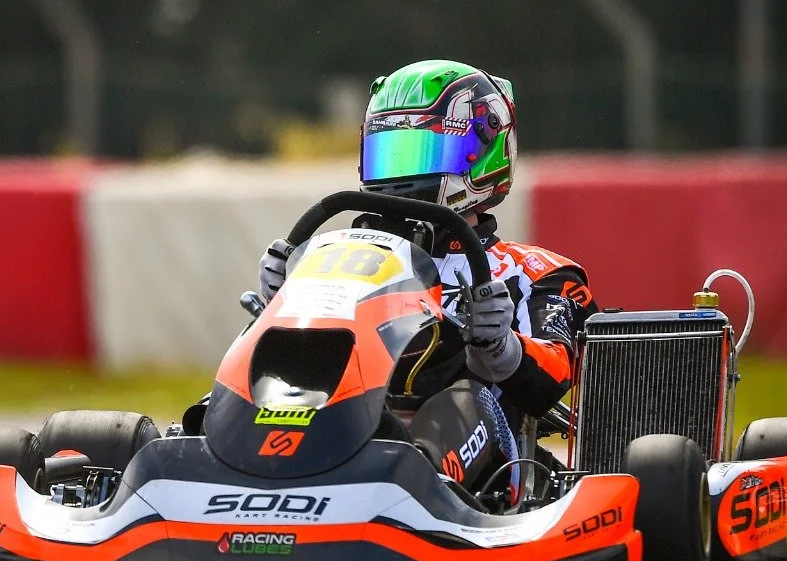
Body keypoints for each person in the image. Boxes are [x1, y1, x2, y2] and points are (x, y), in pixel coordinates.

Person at [256, 59, 598, 508]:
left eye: (421, 153)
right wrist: (283, 304)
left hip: (482, 449)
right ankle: (217, 449)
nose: (400, 172)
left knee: (457, 402)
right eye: (390, 153)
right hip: (341, 414)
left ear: (484, 154)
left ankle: (413, 478)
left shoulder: (534, 272)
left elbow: (557, 371)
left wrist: (501, 347)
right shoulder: (337, 251)